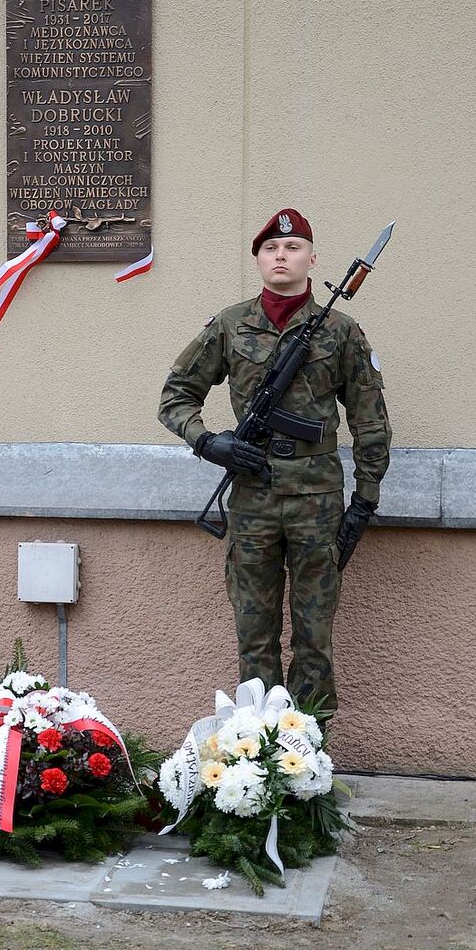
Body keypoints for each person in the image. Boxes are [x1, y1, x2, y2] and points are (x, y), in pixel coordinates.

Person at [158, 208, 391, 712]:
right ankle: (259, 756)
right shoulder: (230, 325)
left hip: (318, 504)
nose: (281, 255)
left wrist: (365, 500)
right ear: (258, 259)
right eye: (270, 248)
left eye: (292, 247)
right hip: (253, 497)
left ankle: (309, 760)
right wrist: (207, 442)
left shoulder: (341, 331)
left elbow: (371, 422)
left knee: (314, 640)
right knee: (254, 637)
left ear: (312, 258)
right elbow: (175, 397)